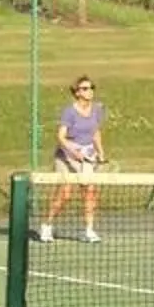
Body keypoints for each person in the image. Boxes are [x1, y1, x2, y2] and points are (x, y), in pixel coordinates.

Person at [36, 75, 106, 244]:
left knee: (89, 192)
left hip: (87, 155)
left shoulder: (97, 110)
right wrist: (73, 151)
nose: (89, 91)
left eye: (91, 88)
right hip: (66, 156)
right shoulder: (69, 112)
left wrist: (101, 153)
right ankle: (47, 225)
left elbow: (96, 132)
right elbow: (61, 137)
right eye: (85, 88)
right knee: (65, 193)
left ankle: (88, 230)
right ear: (77, 92)